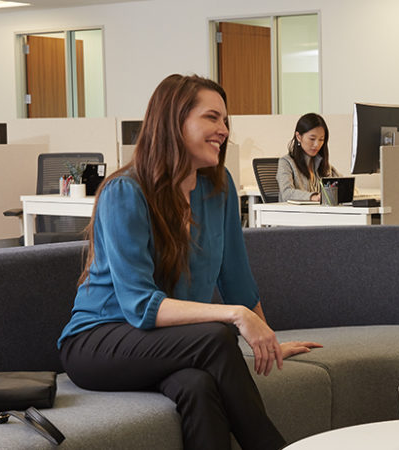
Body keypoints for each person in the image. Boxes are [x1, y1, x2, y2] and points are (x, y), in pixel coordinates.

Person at [58, 74, 321, 450]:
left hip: (163, 343)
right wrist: (236, 317)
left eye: (226, 121)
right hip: (98, 342)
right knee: (218, 334)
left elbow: (237, 280)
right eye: (212, 118)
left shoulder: (219, 187)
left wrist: (266, 339)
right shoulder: (125, 192)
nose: (224, 130)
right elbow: (138, 305)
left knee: (197, 386)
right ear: (174, 122)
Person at [277, 113, 343, 202]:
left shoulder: (321, 163)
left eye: (321, 140)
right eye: (312, 139)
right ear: (299, 137)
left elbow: (344, 185)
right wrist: (313, 197)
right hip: (295, 214)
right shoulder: (286, 162)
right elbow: (287, 193)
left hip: (319, 213)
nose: (317, 144)